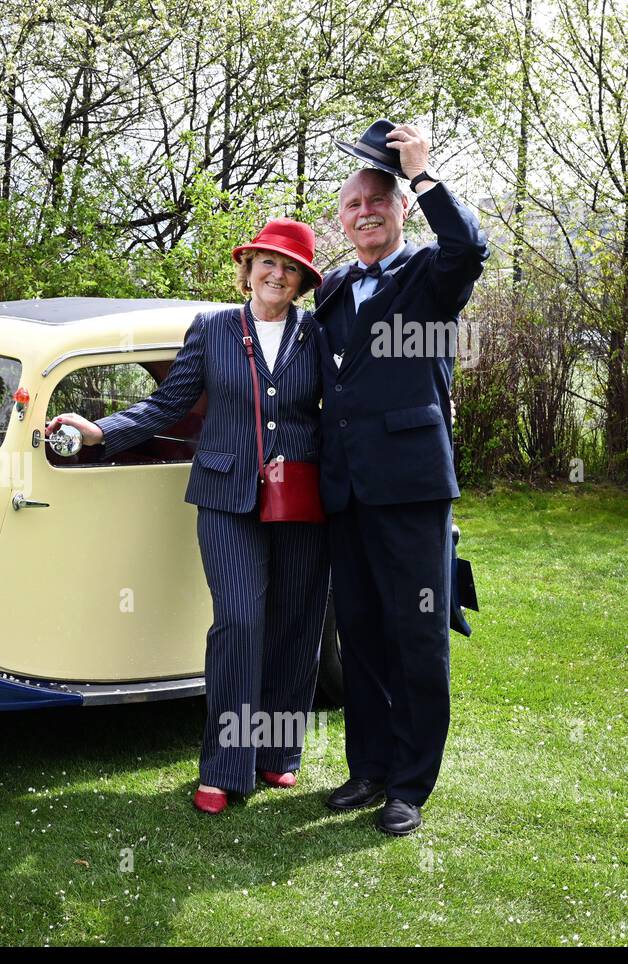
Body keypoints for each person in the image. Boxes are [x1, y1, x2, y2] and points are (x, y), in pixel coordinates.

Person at [47, 219, 329, 814]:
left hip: (302, 495)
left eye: (289, 268)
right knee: (240, 621)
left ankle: (277, 752)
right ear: (248, 268)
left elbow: (347, 403)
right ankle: (225, 767)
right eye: (266, 263)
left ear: (302, 280)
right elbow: (167, 404)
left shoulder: (319, 332)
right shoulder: (213, 329)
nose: (276, 275)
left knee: (295, 621)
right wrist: (101, 432)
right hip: (226, 496)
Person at [314, 122, 489, 835]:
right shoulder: (331, 288)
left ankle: (411, 785)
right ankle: (371, 768)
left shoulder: (429, 277)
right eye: (353, 204)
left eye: (378, 201)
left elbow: (469, 247)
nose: (365, 213)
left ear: (402, 209)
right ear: (342, 219)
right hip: (345, 489)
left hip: (412, 485)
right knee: (361, 634)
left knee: (417, 634)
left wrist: (422, 172)